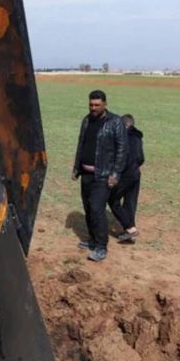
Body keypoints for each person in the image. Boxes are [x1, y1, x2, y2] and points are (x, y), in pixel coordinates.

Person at [71, 90, 127, 262]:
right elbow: (81, 144)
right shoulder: (86, 120)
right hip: (86, 174)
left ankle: (101, 246)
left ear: (105, 104)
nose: (93, 108)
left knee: (96, 209)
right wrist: (76, 167)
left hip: (104, 175)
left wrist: (115, 173)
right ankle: (93, 240)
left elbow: (122, 150)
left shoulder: (115, 122)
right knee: (88, 208)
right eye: (91, 105)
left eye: (97, 105)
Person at [109, 114, 145, 243]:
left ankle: (130, 228)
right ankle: (130, 232)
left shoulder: (123, 138)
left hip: (125, 174)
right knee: (130, 202)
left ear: (125, 125)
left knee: (112, 199)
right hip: (136, 174)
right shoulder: (138, 138)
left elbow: (120, 159)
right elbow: (141, 158)